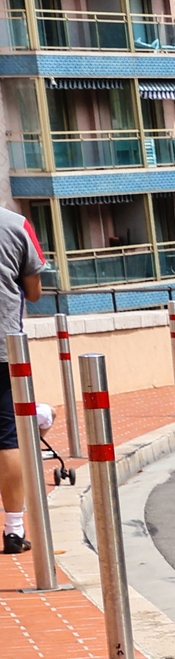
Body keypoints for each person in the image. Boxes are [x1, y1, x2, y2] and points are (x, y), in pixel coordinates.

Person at [0, 208, 46, 554]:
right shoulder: (16, 224)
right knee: (7, 439)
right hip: (4, 348)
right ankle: (13, 530)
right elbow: (34, 293)